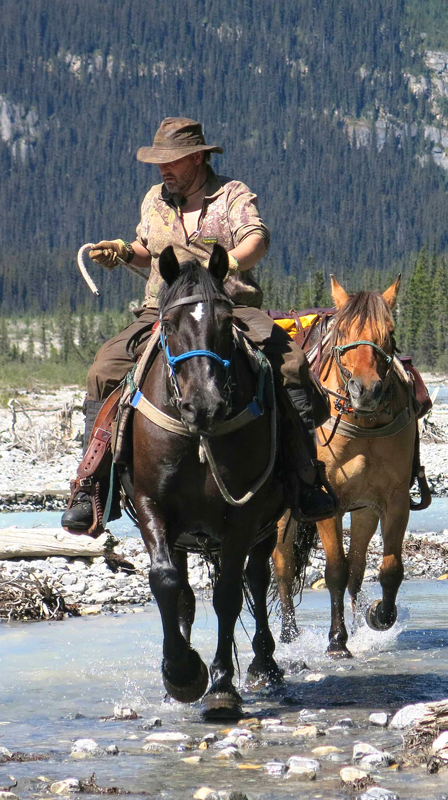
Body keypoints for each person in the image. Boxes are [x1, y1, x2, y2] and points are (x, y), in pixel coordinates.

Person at [62, 117, 335, 531]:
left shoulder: (232, 194)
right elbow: (148, 250)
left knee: (292, 365)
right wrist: (121, 251)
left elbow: (256, 238)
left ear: (197, 158)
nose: (163, 169)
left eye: (171, 161)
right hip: (163, 311)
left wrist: (227, 264)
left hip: (229, 307)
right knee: (103, 369)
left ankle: (304, 478)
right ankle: (93, 486)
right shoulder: (155, 199)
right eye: (159, 162)